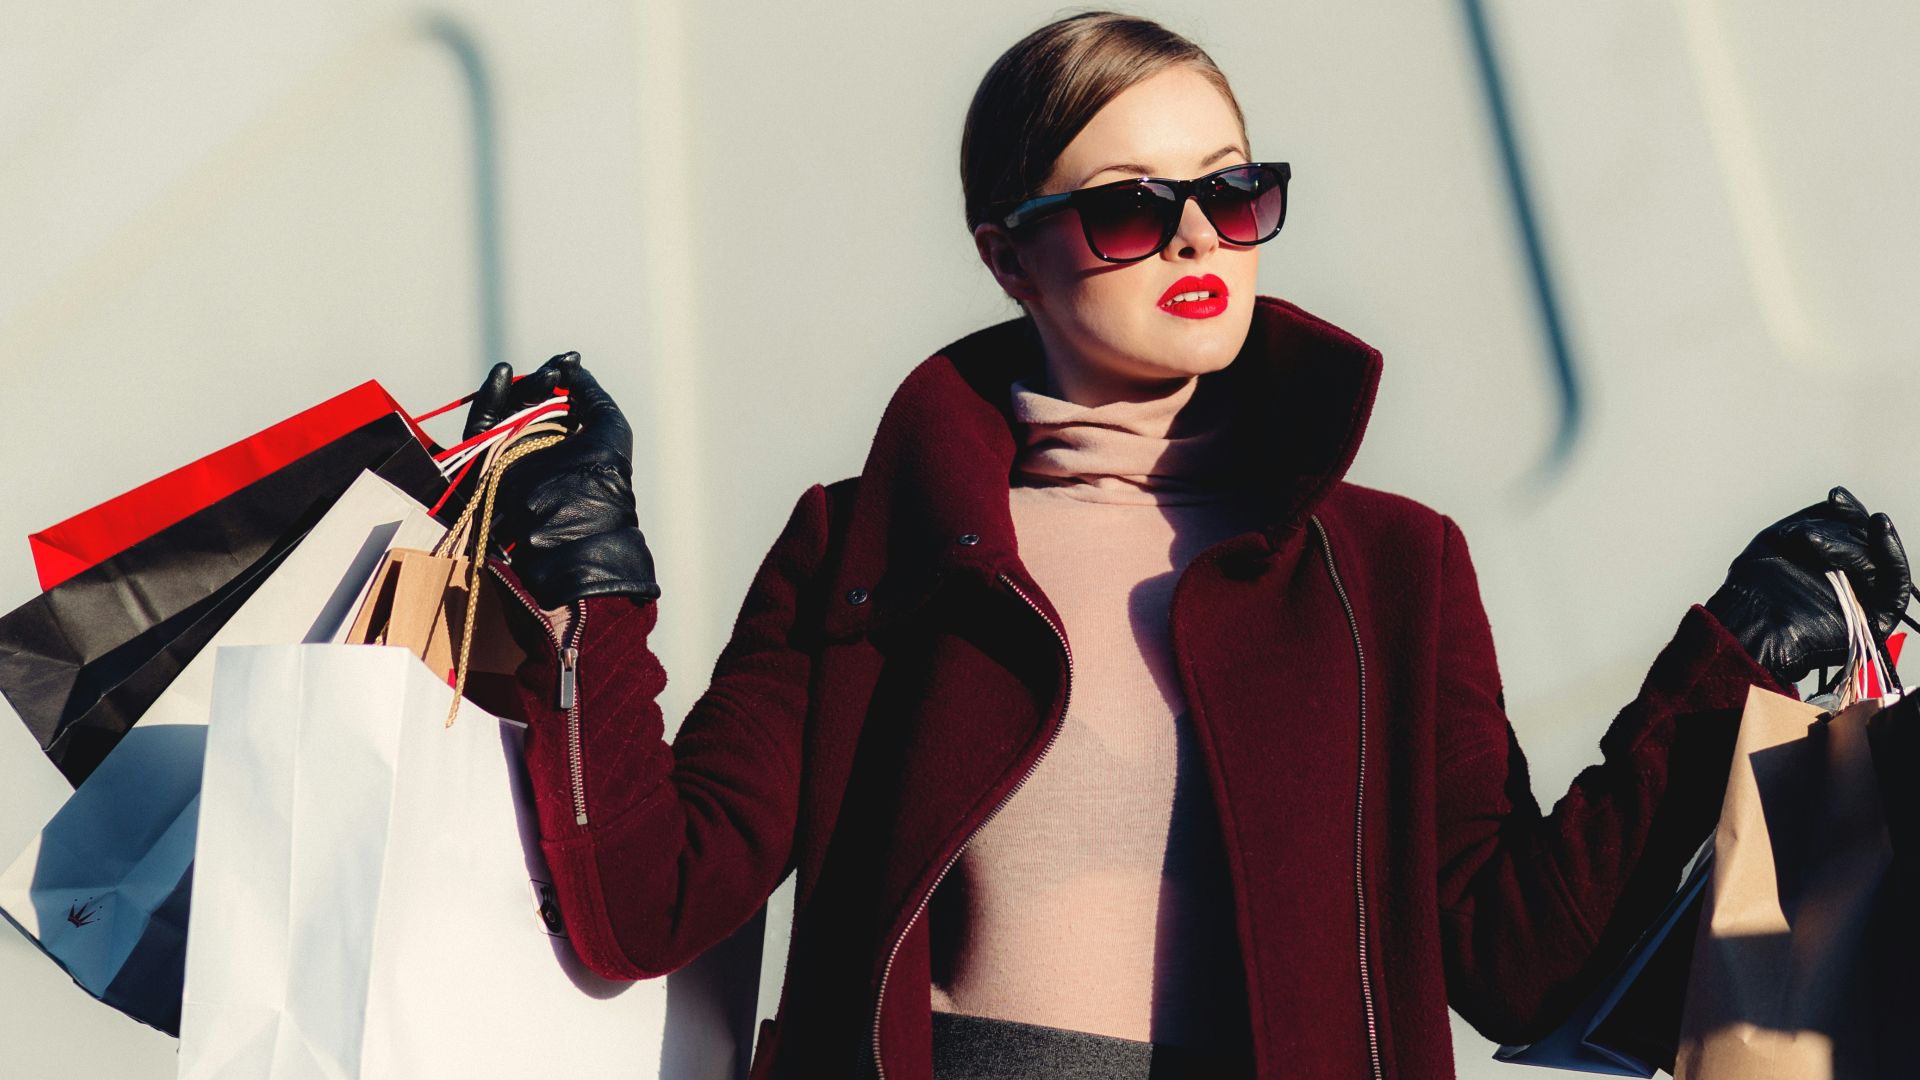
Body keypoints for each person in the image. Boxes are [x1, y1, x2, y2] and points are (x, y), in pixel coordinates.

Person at [458, 12, 1911, 1080]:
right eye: (1126, 214)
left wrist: (1721, 669)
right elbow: (648, 900)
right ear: (1003, 250)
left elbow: (1515, 966)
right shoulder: (870, 544)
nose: (1200, 243)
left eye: (1234, 193)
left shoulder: (1392, 570)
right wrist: (589, 583)